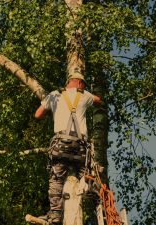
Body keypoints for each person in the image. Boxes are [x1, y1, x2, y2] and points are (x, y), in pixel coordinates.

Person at [34, 71, 101, 224]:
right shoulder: (84, 95)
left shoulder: (55, 95)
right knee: (86, 178)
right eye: (83, 84)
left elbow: (37, 114)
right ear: (79, 83)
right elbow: (99, 100)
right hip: (80, 147)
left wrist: (52, 109)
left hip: (61, 146)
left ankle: (56, 215)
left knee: (56, 179)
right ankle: (91, 214)